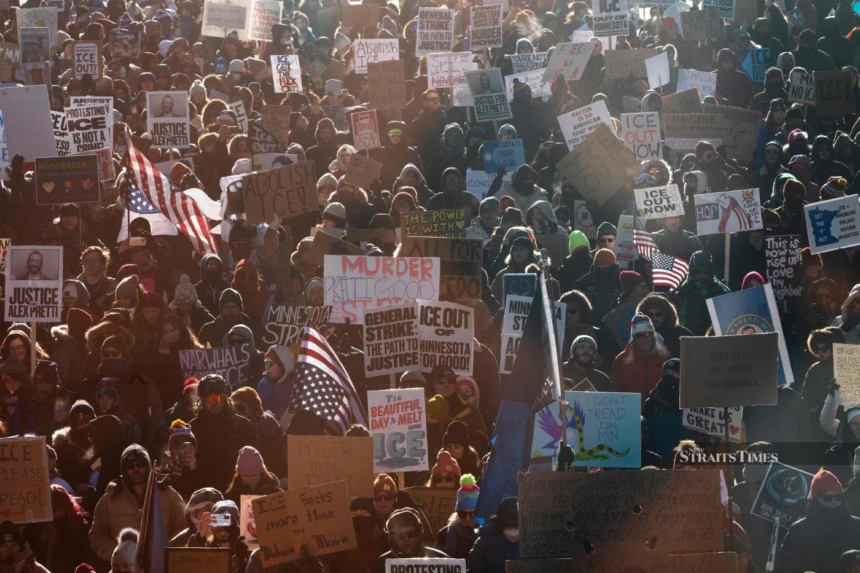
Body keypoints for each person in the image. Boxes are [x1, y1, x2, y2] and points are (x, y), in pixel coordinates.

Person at [89, 444, 186, 562]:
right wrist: (119, 555)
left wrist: (166, 553)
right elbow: (97, 535)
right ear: (124, 469)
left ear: (149, 466)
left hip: (160, 566)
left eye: (141, 464)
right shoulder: (109, 500)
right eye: (130, 466)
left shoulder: (169, 495)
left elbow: (184, 527)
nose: (136, 469)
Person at [775, 470, 860, 573]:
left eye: (838, 497)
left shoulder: (856, 525)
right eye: (827, 498)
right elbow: (785, 567)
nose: (834, 501)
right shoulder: (799, 530)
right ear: (815, 499)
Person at [189, 374, 259, 491]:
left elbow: (256, 463)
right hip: (203, 490)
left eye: (217, 398)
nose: (214, 403)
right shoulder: (192, 428)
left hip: (238, 489)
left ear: (225, 399)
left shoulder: (243, 426)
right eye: (210, 400)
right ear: (202, 401)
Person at [610, 314, 672, 406]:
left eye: (648, 334)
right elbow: (615, 391)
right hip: (631, 412)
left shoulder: (665, 358)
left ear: (653, 335)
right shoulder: (621, 360)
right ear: (633, 337)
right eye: (639, 335)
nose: (644, 338)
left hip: (659, 412)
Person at [371, 508, 449, 573]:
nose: (406, 539)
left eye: (411, 534)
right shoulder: (380, 565)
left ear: (419, 534)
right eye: (400, 535)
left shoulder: (441, 560)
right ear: (392, 537)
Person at [467, 497, 519, 573]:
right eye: (509, 527)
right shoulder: (484, 543)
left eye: (517, 528)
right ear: (501, 525)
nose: (514, 532)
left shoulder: (532, 540)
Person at [436, 474, 479, 559]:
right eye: (462, 514)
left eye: (471, 514)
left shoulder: (488, 533)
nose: (467, 518)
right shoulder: (443, 536)